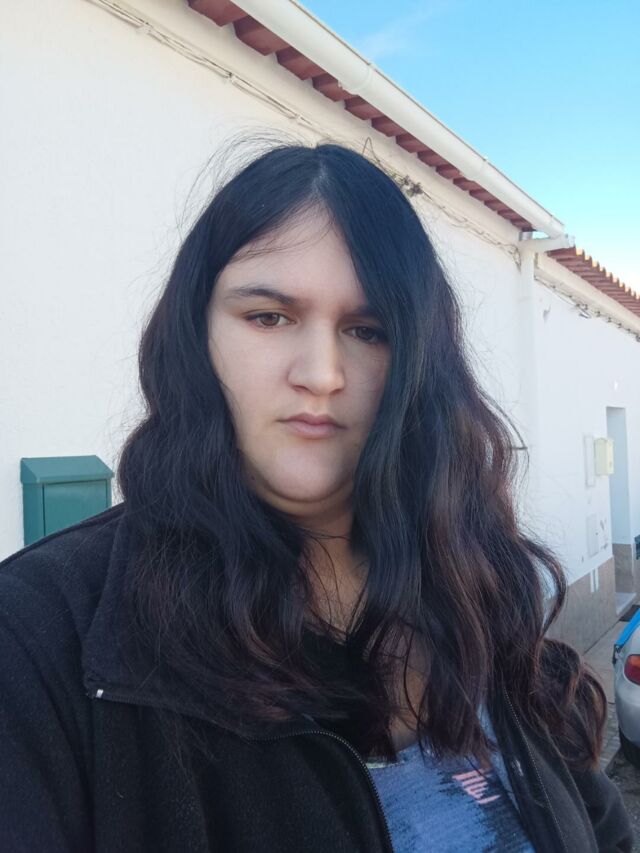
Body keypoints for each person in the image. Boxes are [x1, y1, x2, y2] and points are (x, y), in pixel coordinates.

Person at [0, 139, 632, 852]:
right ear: (195, 335)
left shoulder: (471, 578)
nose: (323, 373)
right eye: (269, 317)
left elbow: (599, 826)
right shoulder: (37, 638)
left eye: (367, 330)